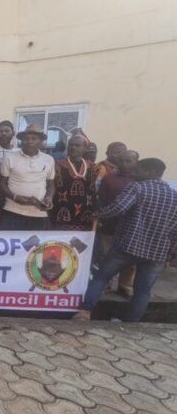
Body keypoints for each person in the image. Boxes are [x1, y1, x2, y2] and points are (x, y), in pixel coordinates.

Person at [73, 158, 177, 322]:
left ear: (150, 172)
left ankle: (85, 312)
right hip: (156, 252)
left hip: (127, 246)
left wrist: (98, 214)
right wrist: (170, 255)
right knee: (143, 290)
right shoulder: (174, 196)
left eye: (138, 170)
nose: (133, 173)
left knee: (101, 276)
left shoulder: (137, 187)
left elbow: (119, 208)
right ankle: (132, 323)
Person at [98, 150, 139, 297]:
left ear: (136, 162)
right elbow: (101, 198)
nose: (125, 164)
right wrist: (100, 217)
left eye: (129, 161)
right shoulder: (109, 178)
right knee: (106, 256)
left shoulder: (139, 180)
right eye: (122, 160)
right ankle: (107, 283)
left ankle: (125, 285)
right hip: (109, 224)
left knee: (130, 260)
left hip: (131, 227)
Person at [0, 124, 55, 230]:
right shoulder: (10, 158)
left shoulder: (49, 159)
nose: (29, 141)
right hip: (12, 210)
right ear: (21, 141)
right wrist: (15, 197)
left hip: (38, 213)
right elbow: (2, 184)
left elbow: (51, 184)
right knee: (10, 246)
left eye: (34, 138)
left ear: (41, 141)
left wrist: (49, 197)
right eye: (26, 138)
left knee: (36, 246)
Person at [49, 132, 98, 231]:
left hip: (85, 215)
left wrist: (96, 210)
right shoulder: (57, 165)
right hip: (60, 213)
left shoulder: (93, 167)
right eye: (71, 145)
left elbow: (93, 190)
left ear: (85, 148)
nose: (74, 148)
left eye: (78, 145)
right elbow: (51, 186)